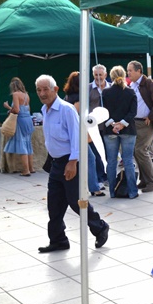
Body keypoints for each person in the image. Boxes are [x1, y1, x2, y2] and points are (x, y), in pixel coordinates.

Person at [35, 74, 109, 253]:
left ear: (55, 90)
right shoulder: (44, 110)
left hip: (69, 161)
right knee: (54, 204)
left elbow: (77, 138)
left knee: (76, 202)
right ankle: (58, 240)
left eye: (46, 89)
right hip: (55, 163)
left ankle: (100, 227)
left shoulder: (66, 110)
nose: (42, 93)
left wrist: (73, 162)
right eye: (39, 90)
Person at [62, 71, 103, 197]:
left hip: (70, 133)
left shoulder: (67, 97)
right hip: (78, 133)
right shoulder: (79, 98)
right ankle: (94, 188)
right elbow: (78, 117)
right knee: (90, 159)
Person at [127, 60, 153, 193]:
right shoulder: (132, 84)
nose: (128, 73)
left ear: (138, 71)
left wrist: (151, 116)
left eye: (130, 70)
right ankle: (144, 180)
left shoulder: (148, 83)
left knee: (141, 150)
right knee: (136, 151)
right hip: (135, 122)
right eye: (128, 70)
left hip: (145, 123)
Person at [103, 66, 139, 199]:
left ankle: (112, 192)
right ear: (124, 76)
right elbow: (133, 112)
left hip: (110, 130)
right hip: (128, 130)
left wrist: (113, 124)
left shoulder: (105, 92)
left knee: (111, 161)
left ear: (110, 77)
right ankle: (132, 192)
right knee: (128, 160)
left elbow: (104, 112)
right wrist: (122, 124)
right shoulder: (130, 92)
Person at [2, 77, 34, 176]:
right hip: (28, 120)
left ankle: (26, 170)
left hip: (20, 121)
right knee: (28, 144)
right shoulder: (26, 95)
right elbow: (28, 108)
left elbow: (16, 110)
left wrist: (8, 107)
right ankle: (31, 168)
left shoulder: (15, 94)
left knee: (22, 145)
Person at [88, 64, 109, 185]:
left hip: (108, 126)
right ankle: (100, 177)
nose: (98, 77)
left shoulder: (110, 87)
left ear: (105, 75)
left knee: (107, 152)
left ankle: (107, 175)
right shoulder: (88, 88)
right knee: (96, 153)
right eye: (96, 75)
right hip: (94, 127)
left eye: (100, 75)